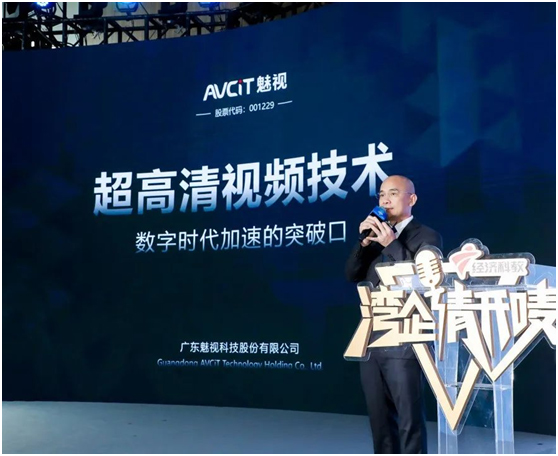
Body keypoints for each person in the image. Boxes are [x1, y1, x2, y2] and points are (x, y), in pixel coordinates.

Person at [345, 175, 443, 454]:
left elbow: (422, 280)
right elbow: (352, 274)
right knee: (379, 419)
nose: (385, 200)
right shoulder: (375, 237)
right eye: (381, 194)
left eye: (393, 193)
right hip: (372, 337)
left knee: (409, 419)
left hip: (405, 337)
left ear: (411, 199)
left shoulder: (427, 236)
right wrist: (364, 245)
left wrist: (391, 243)